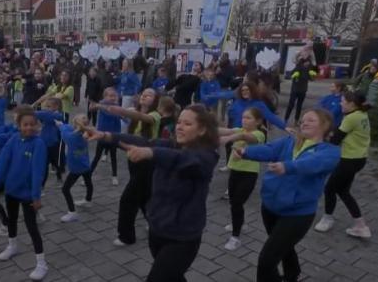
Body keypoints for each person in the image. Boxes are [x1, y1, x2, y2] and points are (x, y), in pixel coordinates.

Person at [86, 104, 219, 282]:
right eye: (179, 122)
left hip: (183, 238)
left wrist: (151, 153)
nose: (179, 126)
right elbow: (143, 141)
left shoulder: (206, 157)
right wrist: (105, 135)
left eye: (187, 124)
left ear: (202, 130)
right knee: (173, 276)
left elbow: (182, 160)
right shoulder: (171, 145)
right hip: (157, 229)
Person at [235, 109, 340, 282]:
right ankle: (293, 273)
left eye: (311, 120)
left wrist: (288, 167)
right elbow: (269, 149)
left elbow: (313, 164)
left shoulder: (331, 152)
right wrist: (245, 152)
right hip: (270, 206)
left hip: (297, 214)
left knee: (266, 261)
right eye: (303, 120)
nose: (304, 123)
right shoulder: (290, 142)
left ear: (325, 125)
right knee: (282, 246)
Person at [92, 88, 160, 246]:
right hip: (134, 159)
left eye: (149, 94)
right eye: (143, 93)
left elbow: (142, 117)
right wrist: (101, 107)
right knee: (143, 196)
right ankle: (154, 222)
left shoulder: (155, 115)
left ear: (156, 100)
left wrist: (123, 110)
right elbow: (119, 114)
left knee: (128, 200)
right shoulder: (133, 113)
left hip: (147, 160)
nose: (144, 95)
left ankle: (126, 236)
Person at [0, 105, 48, 281]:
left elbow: (38, 172)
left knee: (32, 228)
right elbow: (2, 163)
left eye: (32, 124)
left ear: (37, 125)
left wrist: (36, 197)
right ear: (19, 125)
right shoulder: (13, 139)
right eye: (25, 124)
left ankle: (41, 263)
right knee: (12, 220)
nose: (29, 127)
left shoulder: (39, 144)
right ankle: (12, 245)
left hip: (28, 195)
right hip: (11, 190)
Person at [314, 91, 373, 239]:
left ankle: (327, 218)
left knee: (330, 189)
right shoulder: (361, 114)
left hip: (349, 159)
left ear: (352, 104)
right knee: (343, 191)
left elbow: (335, 139)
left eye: (343, 101)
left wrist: (317, 140)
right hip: (359, 158)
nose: (340, 103)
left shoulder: (351, 118)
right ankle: (361, 226)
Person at [218, 108, 266, 251]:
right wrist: (204, 125)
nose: (244, 120)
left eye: (249, 118)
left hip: (249, 173)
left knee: (238, 202)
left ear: (258, 121)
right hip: (235, 172)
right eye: (244, 117)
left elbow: (245, 138)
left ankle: (235, 237)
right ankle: (239, 223)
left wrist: (230, 138)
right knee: (233, 202)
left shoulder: (259, 134)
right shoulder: (240, 129)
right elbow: (225, 131)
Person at [58, 115, 93, 223]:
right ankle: (88, 200)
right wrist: (65, 125)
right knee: (88, 182)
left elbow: (64, 133)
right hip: (86, 164)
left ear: (76, 125)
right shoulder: (86, 134)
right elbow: (69, 128)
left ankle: (72, 213)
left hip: (76, 167)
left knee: (65, 189)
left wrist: (60, 125)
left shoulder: (72, 138)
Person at [89, 88, 121, 185]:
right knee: (97, 157)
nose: (112, 98)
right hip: (102, 135)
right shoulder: (102, 105)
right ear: (105, 97)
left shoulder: (116, 106)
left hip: (113, 135)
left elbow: (119, 119)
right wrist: (94, 106)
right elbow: (108, 114)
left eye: (114, 96)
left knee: (113, 157)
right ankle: (88, 175)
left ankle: (114, 176)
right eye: (110, 96)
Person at [35, 98, 65, 187]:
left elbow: (41, 114)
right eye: (46, 106)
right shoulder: (48, 114)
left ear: (56, 107)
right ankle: (42, 185)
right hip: (44, 143)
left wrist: (33, 107)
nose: (47, 108)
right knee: (45, 165)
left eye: (49, 106)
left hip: (54, 144)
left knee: (56, 163)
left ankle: (59, 178)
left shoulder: (58, 116)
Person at [284, 59, 317, 124]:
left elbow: (312, 79)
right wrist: (293, 76)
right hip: (295, 90)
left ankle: (296, 120)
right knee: (291, 105)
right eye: (307, 62)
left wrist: (313, 75)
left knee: (299, 106)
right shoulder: (297, 68)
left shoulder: (309, 69)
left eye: (309, 62)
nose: (308, 63)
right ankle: (286, 119)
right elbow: (289, 75)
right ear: (303, 62)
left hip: (303, 90)